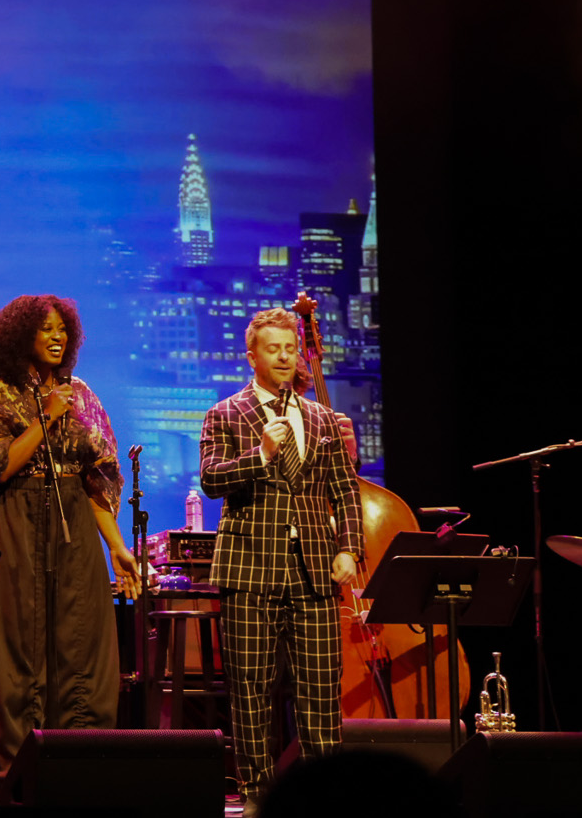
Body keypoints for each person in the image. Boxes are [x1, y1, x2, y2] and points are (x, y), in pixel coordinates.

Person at [0, 294, 139, 804]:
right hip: (15, 524)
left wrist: (118, 547)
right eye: (46, 330)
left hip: (74, 529)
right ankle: (6, 785)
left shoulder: (82, 395)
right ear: (20, 339)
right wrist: (45, 419)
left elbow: (96, 479)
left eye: (63, 330)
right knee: (13, 657)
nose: (57, 338)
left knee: (80, 652)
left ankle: (79, 776)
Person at [200, 307, 363, 814]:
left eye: (291, 349)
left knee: (320, 690)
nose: (286, 357)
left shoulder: (322, 419)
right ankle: (257, 796)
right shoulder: (226, 413)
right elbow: (210, 480)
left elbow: (345, 491)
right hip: (250, 569)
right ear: (252, 356)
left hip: (314, 571)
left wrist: (349, 548)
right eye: (274, 349)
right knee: (252, 692)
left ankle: (325, 797)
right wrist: (261, 456)